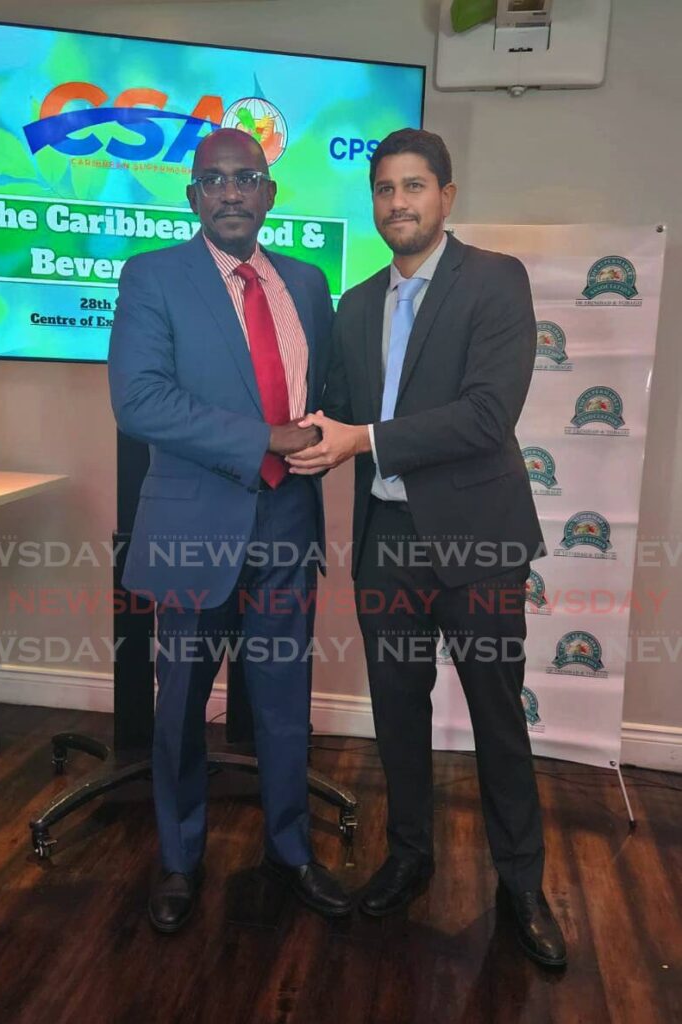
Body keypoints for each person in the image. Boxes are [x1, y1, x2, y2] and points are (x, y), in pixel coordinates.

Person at [287, 128, 566, 968]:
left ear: (446, 196)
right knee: (399, 715)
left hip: (478, 544)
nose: (397, 203)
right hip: (389, 544)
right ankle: (409, 854)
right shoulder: (358, 302)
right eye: (383, 189)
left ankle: (521, 882)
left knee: (496, 718)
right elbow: (329, 413)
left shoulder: (494, 280)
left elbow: (488, 414)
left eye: (414, 187)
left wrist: (361, 437)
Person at [108, 128, 350, 933]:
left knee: (284, 701)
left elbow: (328, 390)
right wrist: (264, 440)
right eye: (213, 181)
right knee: (179, 706)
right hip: (194, 527)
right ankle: (179, 858)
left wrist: (340, 437)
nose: (231, 193)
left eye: (247, 178)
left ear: (271, 193)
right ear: (193, 197)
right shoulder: (152, 277)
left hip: (288, 520)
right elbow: (138, 400)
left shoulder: (310, 284)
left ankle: (290, 849)